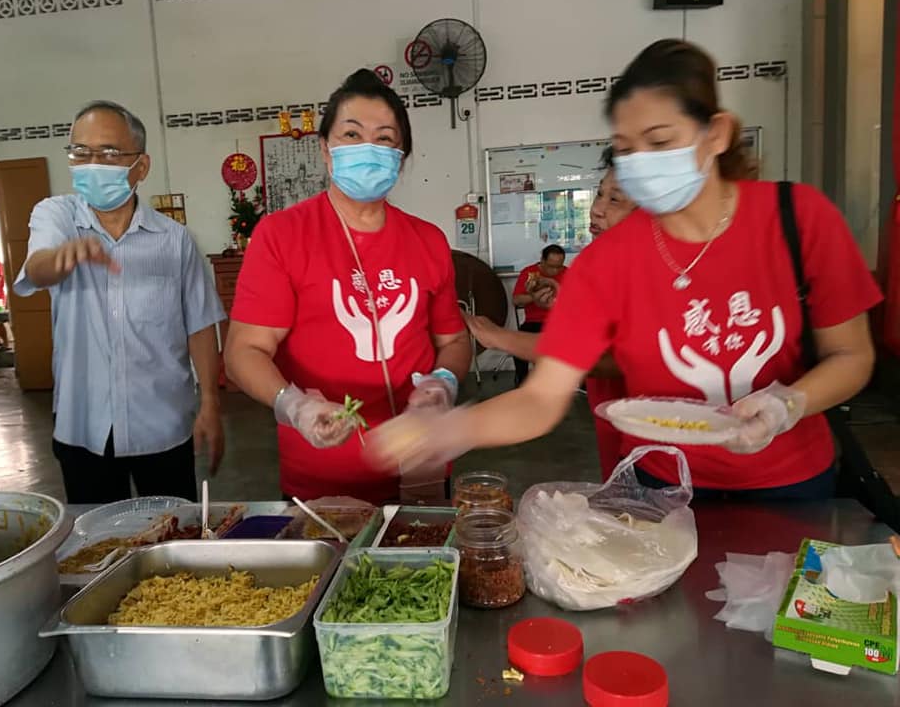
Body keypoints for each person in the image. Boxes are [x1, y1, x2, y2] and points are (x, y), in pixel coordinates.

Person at [371, 39, 881, 502]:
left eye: (659, 141)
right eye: (626, 148)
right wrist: (450, 431)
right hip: (663, 487)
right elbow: (542, 398)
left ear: (717, 134)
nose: (641, 162)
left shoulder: (798, 219)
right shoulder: (606, 261)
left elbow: (852, 355)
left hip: (793, 484)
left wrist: (789, 404)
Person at [225, 69, 470, 504]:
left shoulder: (428, 240)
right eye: (352, 134)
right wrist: (295, 406)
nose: (368, 149)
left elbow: (453, 340)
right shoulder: (282, 235)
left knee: (426, 545)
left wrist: (444, 382)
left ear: (401, 156)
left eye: (384, 138)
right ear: (325, 148)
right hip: (322, 469)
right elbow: (244, 351)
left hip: (421, 460)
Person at [14, 100, 226, 504]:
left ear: (141, 166)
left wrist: (211, 403)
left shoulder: (174, 240)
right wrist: (61, 258)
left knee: (173, 528)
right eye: (81, 152)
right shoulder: (57, 216)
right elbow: (38, 268)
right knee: (94, 536)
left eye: (109, 153)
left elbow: (199, 324)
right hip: (84, 426)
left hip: (163, 424)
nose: (93, 164)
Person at [466, 152, 637, 479]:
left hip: (655, 445)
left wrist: (504, 339)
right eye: (600, 194)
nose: (597, 209)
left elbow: (612, 357)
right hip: (613, 427)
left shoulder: (653, 270)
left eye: (615, 200)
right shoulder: (596, 263)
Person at [511, 244, 566, 386]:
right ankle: (522, 381)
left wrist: (554, 284)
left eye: (559, 267)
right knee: (518, 343)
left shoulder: (568, 273)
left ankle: (582, 384)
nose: (555, 271)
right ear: (542, 260)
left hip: (561, 322)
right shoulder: (529, 273)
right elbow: (516, 300)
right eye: (551, 266)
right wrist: (534, 297)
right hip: (535, 322)